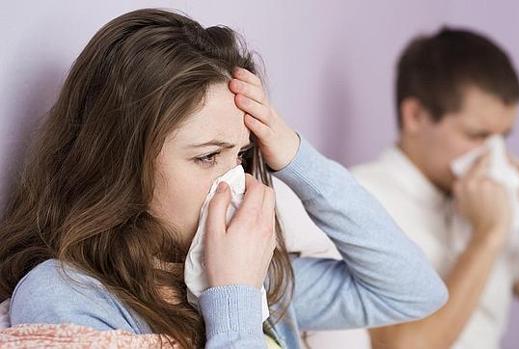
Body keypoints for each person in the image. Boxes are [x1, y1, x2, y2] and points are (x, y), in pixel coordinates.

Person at [0, 9, 448, 349]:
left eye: (242, 155)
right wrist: (231, 299)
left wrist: (295, 156)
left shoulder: (258, 281)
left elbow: (414, 292)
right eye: (208, 157)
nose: (233, 182)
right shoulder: (65, 297)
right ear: (118, 163)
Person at [292, 27, 519, 349]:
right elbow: (401, 346)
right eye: (477, 136)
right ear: (415, 116)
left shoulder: (477, 202)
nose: (493, 154)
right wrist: (487, 237)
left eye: (503, 137)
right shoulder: (362, 200)